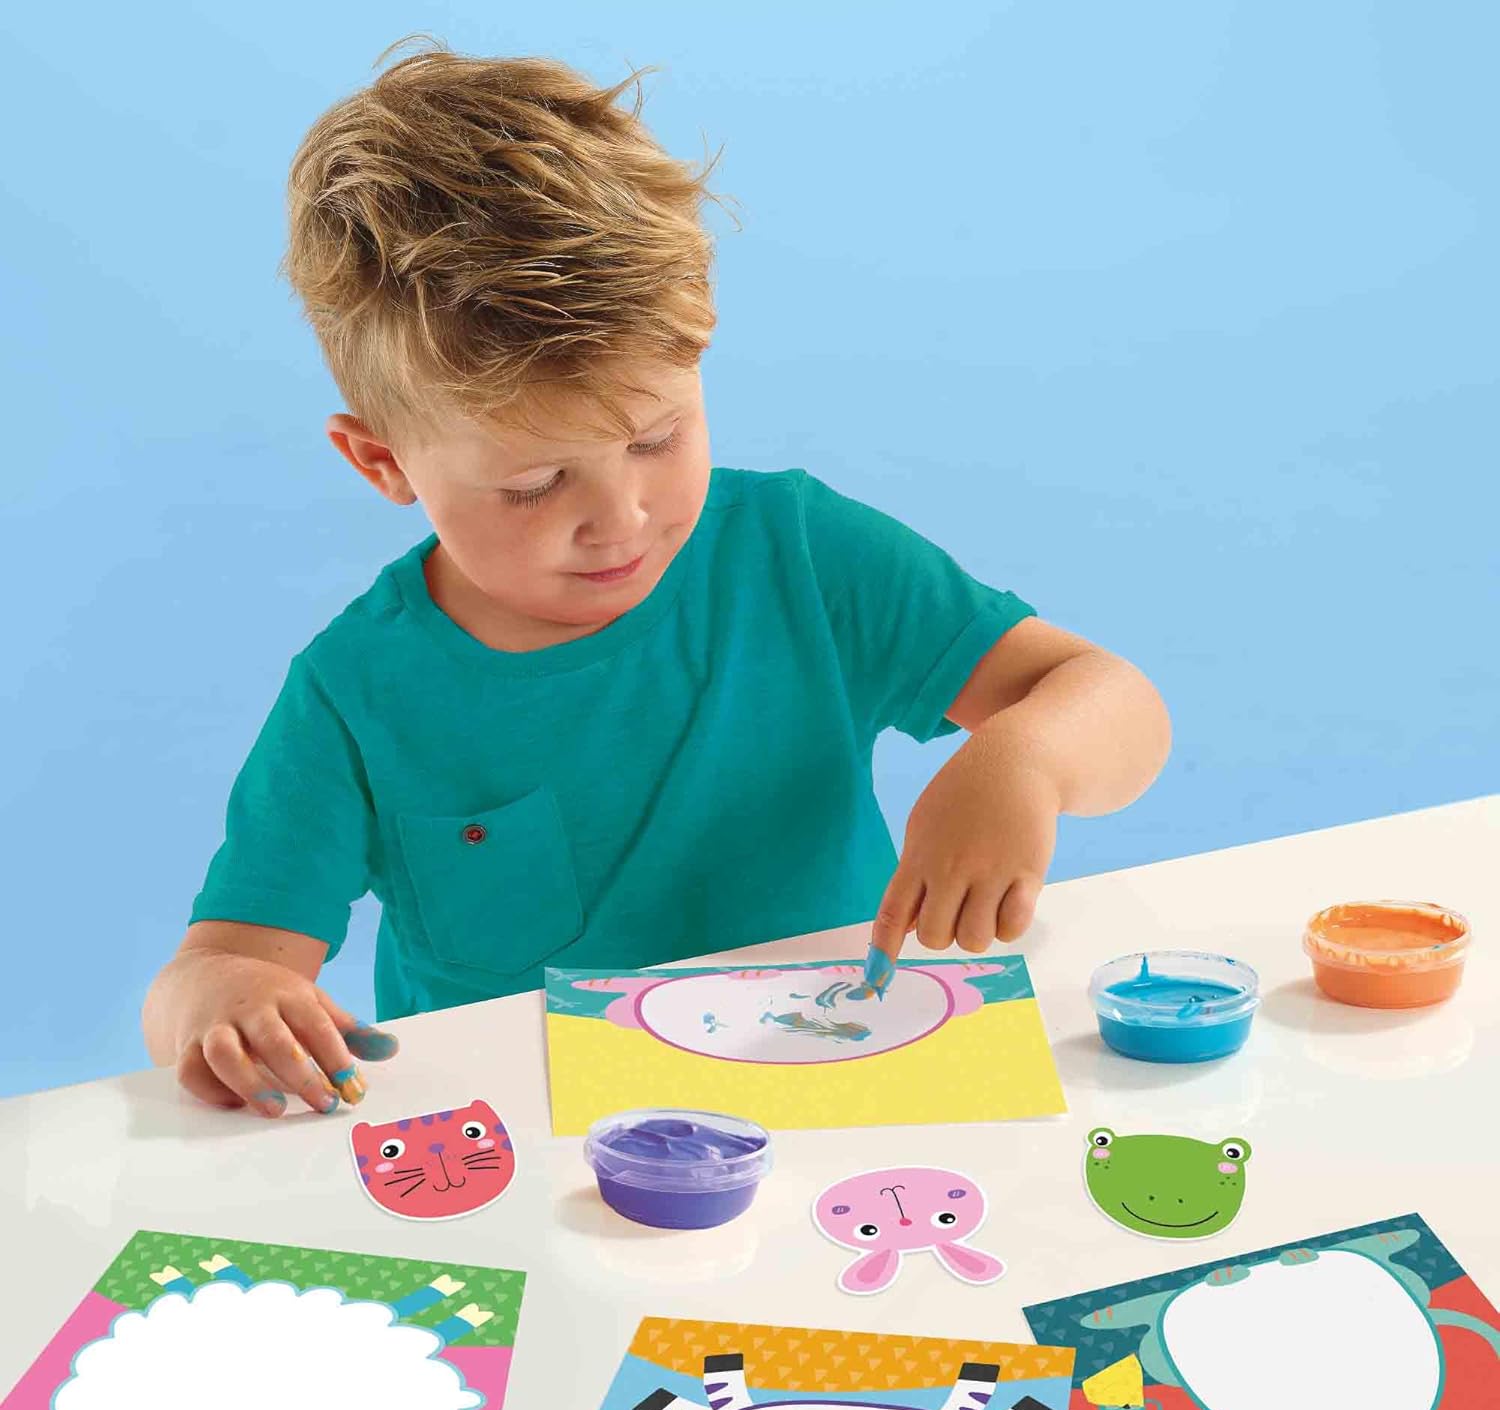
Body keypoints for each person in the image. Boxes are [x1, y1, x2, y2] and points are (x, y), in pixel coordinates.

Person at [142, 39, 1170, 1119]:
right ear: (381, 462)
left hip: (853, 1092)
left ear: (700, 346)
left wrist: (1025, 758)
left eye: (655, 439)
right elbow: (212, 969)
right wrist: (230, 1002)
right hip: (544, 1149)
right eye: (535, 485)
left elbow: (1115, 700)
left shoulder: (801, 553)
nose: (621, 518)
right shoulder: (356, 691)